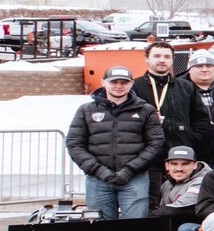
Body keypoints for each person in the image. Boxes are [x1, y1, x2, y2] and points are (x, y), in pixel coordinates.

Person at [65, 65, 164, 222]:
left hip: (134, 179)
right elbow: (74, 144)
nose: (119, 86)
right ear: (103, 82)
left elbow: (156, 143)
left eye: (124, 82)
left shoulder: (146, 110)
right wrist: (100, 171)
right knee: (101, 229)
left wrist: (130, 170)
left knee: (135, 227)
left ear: (131, 84)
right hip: (98, 180)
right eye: (114, 82)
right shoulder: (86, 110)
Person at [167, 50, 214, 168]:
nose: (204, 69)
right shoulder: (174, 89)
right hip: (189, 153)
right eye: (199, 66)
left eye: (209, 66)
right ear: (189, 69)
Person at [159, 145, 211, 231]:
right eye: (174, 164)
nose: (179, 168)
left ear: (195, 165)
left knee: (185, 229)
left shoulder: (203, 181)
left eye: (185, 164)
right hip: (179, 224)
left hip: (206, 228)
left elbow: (176, 210)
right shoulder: (167, 184)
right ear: (167, 166)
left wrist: (150, 217)